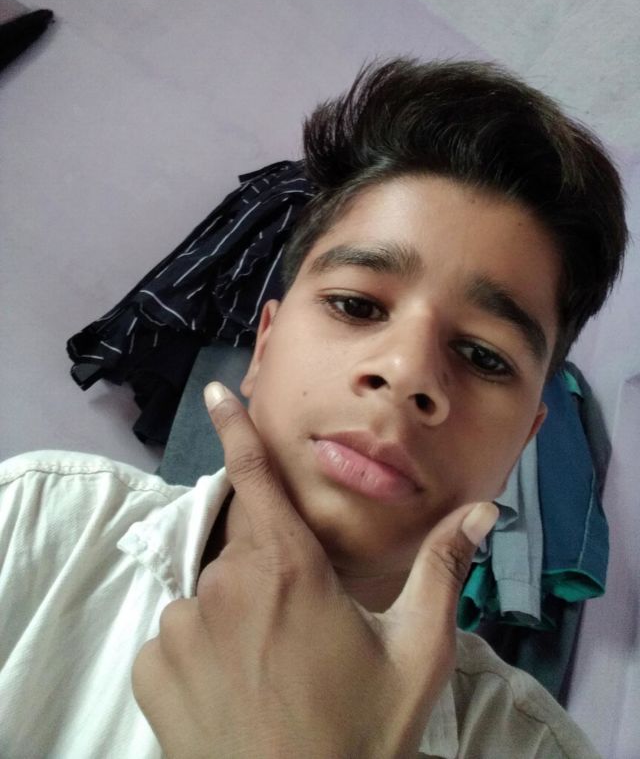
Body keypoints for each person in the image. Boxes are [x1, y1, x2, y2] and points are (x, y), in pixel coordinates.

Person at [0, 58, 627, 758]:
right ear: (263, 347)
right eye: (356, 305)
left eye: (484, 355)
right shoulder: (31, 518)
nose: (406, 373)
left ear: (523, 442)